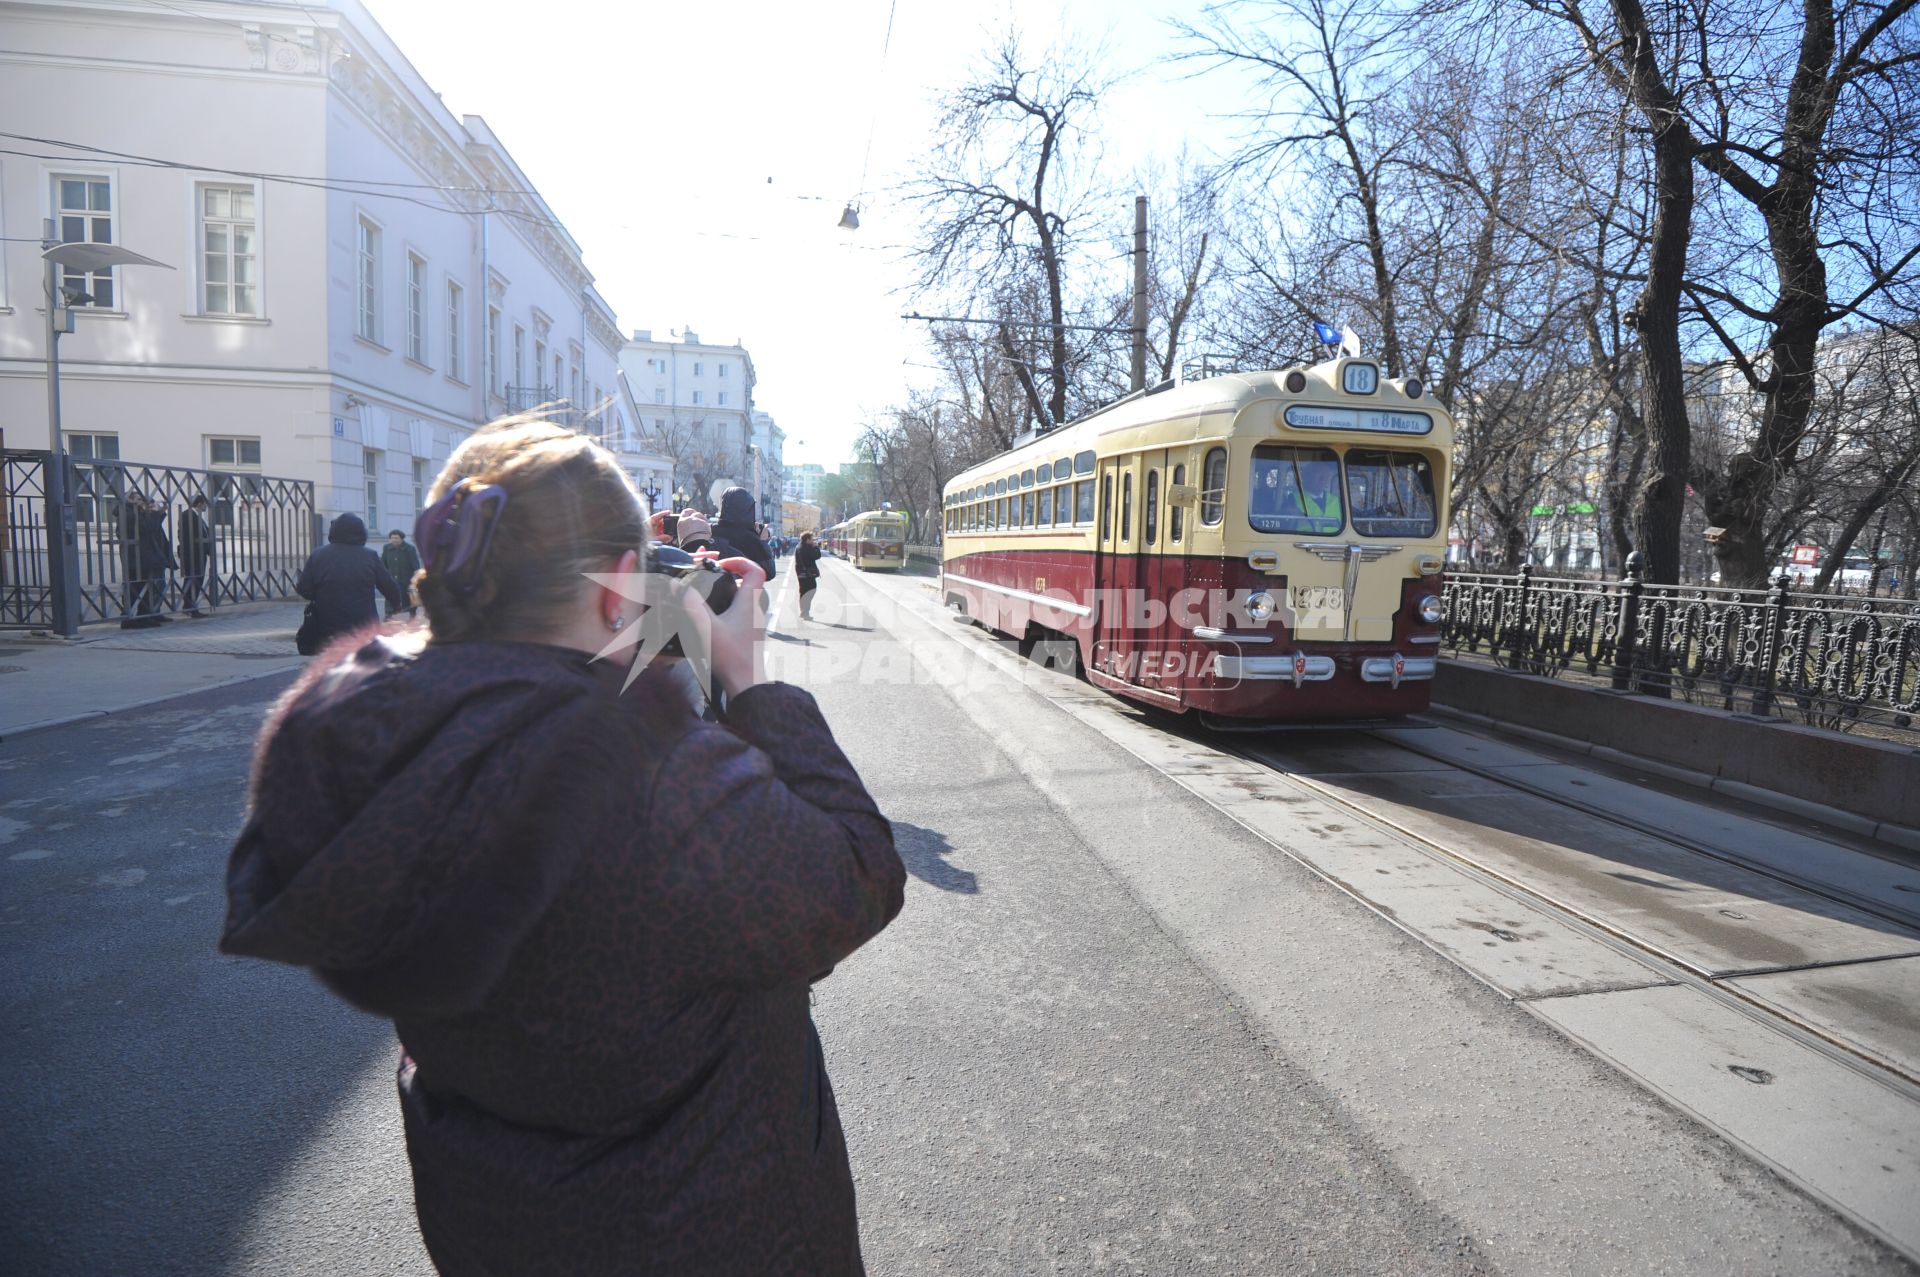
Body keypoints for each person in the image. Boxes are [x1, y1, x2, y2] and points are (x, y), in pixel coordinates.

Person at [219, 418, 905, 1276]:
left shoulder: (379, 744)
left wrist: (631, 639)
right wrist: (748, 677)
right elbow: (857, 875)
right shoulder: (657, 781)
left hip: (498, 1224)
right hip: (713, 1223)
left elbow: (522, 673)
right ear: (624, 585)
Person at [294, 512, 405, 654]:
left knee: (330, 664)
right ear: (362, 533)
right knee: (364, 665)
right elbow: (389, 586)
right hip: (364, 625)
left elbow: (304, 588)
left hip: (327, 625)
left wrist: (321, 594)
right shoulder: (369, 556)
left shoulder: (319, 555)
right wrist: (396, 607)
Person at [712, 486, 776, 580]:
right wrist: (762, 541)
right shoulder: (749, 539)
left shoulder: (712, 531)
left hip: (717, 590)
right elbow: (769, 572)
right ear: (748, 509)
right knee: (760, 592)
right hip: (745, 590)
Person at [178, 495, 214, 618]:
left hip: (200, 553)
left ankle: (190, 606)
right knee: (192, 579)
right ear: (199, 504)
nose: (205, 506)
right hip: (192, 554)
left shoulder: (198, 516)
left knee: (198, 579)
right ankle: (189, 606)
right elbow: (184, 536)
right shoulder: (187, 515)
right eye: (204, 504)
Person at [381, 529, 423, 619]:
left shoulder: (409, 549)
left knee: (409, 596)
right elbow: (383, 563)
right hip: (391, 577)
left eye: (396, 538)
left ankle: (412, 614)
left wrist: (416, 577)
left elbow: (415, 564)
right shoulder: (387, 548)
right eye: (392, 538)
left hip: (406, 578)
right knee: (390, 596)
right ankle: (388, 614)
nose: (394, 540)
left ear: (402, 539)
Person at [795, 529, 822, 621]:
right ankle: (805, 613)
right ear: (807, 540)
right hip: (808, 574)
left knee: (803, 592)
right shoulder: (807, 547)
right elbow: (817, 556)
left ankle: (803, 612)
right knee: (811, 591)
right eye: (812, 539)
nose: (813, 540)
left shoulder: (798, 546)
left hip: (800, 573)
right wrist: (816, 547)